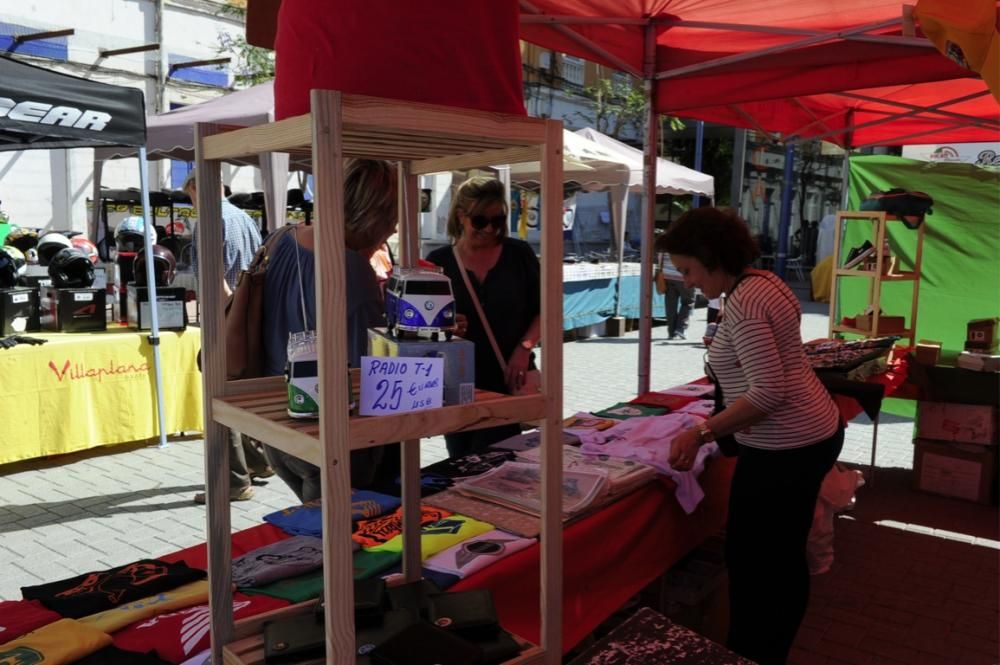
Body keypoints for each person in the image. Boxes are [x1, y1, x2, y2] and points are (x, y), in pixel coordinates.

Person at [662, 207, 844, 665]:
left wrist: (701, 432)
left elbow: (769, 392)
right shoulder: (763, 282)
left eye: (688, 270)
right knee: (774, 556)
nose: (686, 281)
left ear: (710, 257)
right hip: (807, 434)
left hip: (788, 448)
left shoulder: (744, 305)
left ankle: (756, 652)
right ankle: (762, 647)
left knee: (760, 563)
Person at [261, 159, 399, 502]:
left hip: (275, 422)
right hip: (330, 434)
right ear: (375, 216)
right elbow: (366, 370)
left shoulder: (282, 238)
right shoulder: (350, 268)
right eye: (393, 218)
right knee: (351, 544)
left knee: (318, 536)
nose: (394, 229)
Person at [426, 177, 541, 458]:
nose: (490, 228)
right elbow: (423, 324)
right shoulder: (438, 261)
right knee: (461, 459)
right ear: (461, 216)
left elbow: (546, 309)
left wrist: (524, 348)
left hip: (508, 377)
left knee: (498, 458)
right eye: (480, 220)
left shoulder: (519, 254)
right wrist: (446, 327)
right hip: (457, 382)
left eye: (498, 220)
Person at [184, 170, 271, 504]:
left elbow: (216, 277)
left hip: (227, 317)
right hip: (247, 315)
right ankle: (260, 461)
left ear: (196, 188)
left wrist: (228, 316)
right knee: (238, 391)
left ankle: (234, 480)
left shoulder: (209, 219)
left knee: (218, 397)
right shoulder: (243, 217)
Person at [654, 248, 695, 340]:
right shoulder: (687, 242)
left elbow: (660, 257)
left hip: (667, 275)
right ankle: (680, 329)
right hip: (683, 276)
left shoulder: (666, 242)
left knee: (670, 304)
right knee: (688, 302)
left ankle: (671, 332)